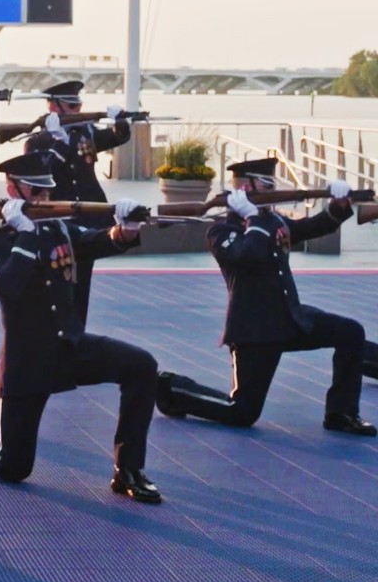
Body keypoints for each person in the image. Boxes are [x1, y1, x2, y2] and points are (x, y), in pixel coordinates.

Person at [0, 152, 163, 504]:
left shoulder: (56, 228)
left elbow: (92, 242)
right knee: (12, 466)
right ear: (12, 190)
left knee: (141, 366)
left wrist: (124, 229)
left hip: (69, 346)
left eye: (45, 191)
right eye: (34, 192)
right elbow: (7, 288)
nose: (42, 198)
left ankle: (128, 470)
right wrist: (25, 236)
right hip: (27, 361)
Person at [156, 158, 378, 436]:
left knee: (350, 332)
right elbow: (248, 254)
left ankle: (342, 413)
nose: (273, 191)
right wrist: (253, 218)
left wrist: (338, 206)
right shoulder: (221, 231)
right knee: (242, 412)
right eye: (267, 185)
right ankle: (171, 387)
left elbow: (312, 228)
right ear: (247, 188)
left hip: (290, 317)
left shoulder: (271, 221)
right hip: (255, 330)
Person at [23, 80, 135, 323]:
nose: (76, 111)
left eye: (78, 106)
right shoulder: (38, 141)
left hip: (88, 217)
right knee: (57, 281)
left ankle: (77, 332)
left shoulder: (86, 132)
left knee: (82, 278)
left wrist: (120, 122)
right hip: (57, 219)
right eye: (71, 106)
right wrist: (58, 142)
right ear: (53, 106)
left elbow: (117, 138)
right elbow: (39, 179)